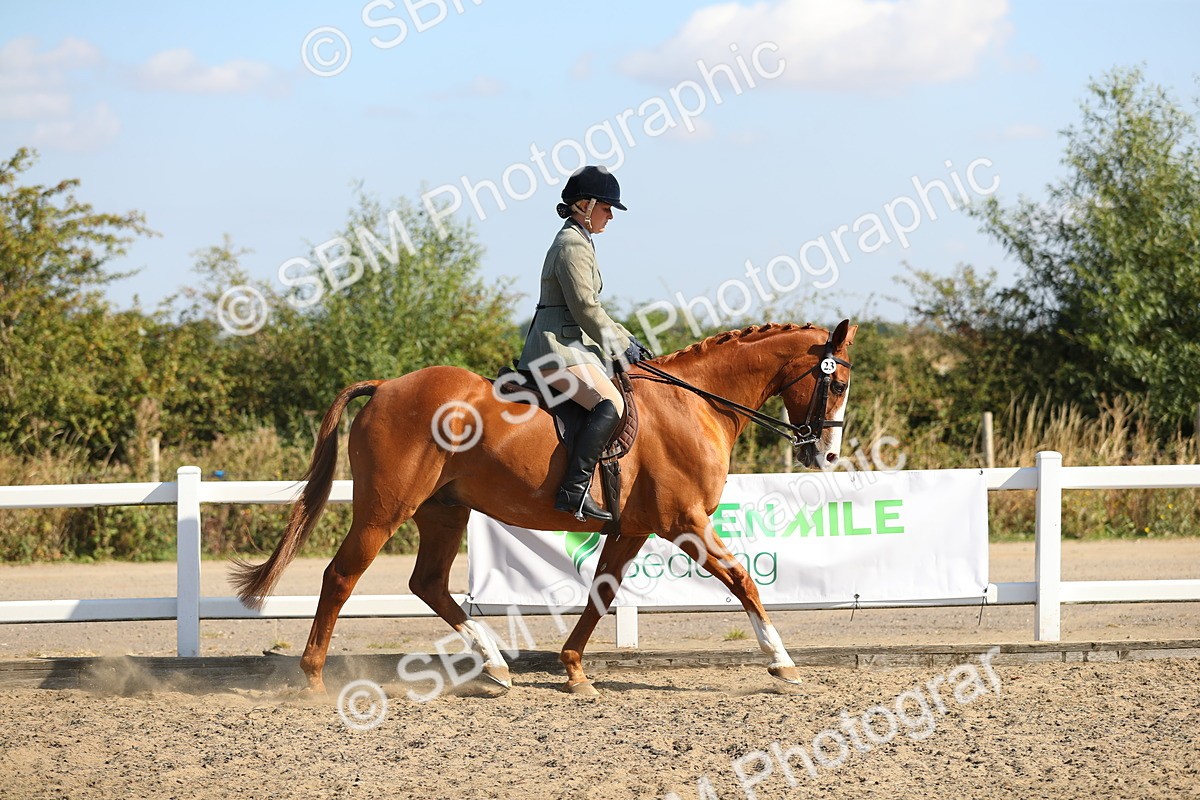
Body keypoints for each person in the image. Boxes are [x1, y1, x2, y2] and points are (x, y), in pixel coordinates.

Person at [517, 165, 653, 522]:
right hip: (556, 348)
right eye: (606, 208)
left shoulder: (581, 240)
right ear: (584, 204)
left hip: (571, 344)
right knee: (610, 403)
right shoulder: (571, 245)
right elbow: (585, 308)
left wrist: (627, 338)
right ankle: (574, 490)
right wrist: (620, 341)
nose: (610, 215)